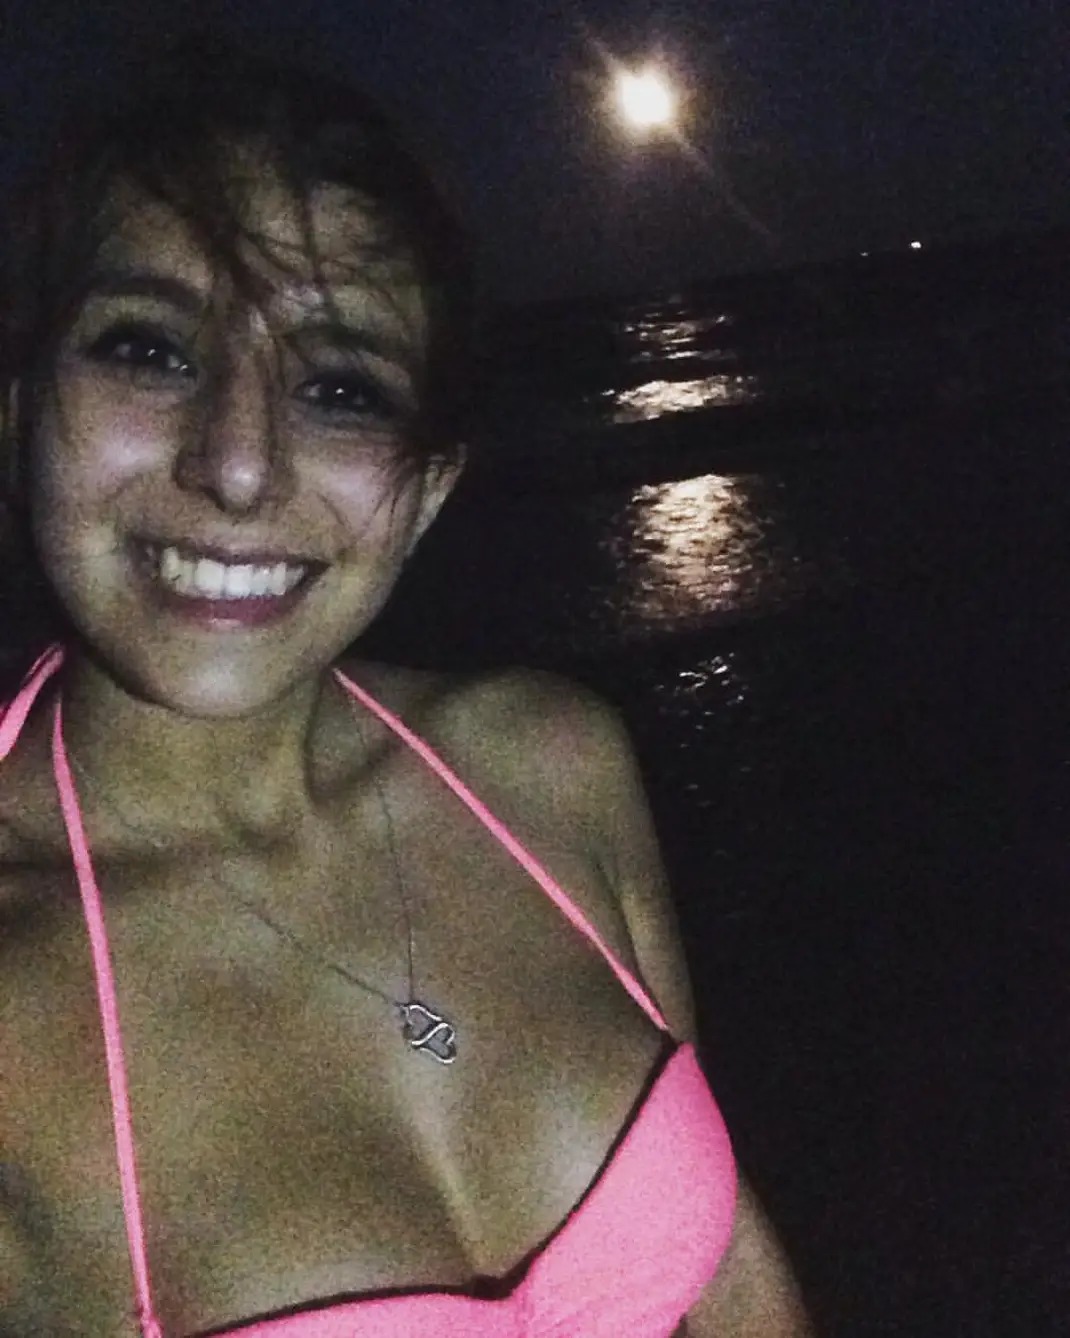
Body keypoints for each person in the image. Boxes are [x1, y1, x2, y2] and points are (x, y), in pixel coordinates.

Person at [0, 31, 811, 1338]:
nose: (239, 467)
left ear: (427, 487)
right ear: (19, 403)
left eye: (340, 386)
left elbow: (731, 1280)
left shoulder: (548, 769)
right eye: (150, 350)